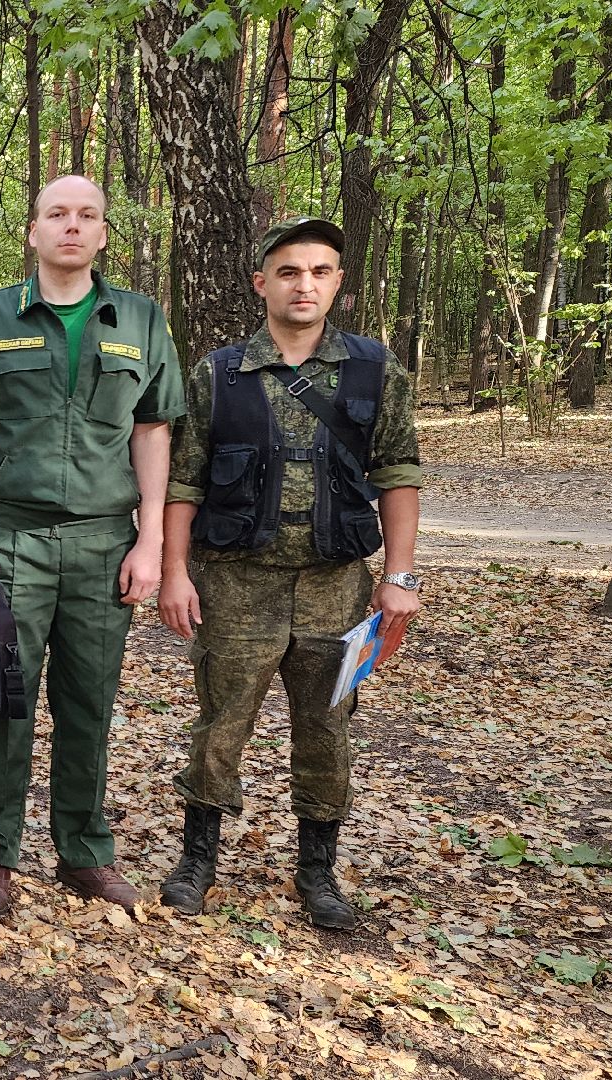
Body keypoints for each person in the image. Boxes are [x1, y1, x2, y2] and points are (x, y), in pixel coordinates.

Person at [157, 216, 421, 931]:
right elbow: (183, 481)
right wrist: (172, 572)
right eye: (288, 271)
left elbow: (398, 473)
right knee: (220, 725)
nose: (304, 284)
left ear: (337, 282)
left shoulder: (374, 369)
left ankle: (317, 871)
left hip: (337, 589)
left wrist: (400, 576)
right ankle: (197, 862)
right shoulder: (217, 373)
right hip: (234, 584)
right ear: (261, 283)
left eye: (320, 271)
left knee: (328, 728)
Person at [0, 174, 185, 913]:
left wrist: (151, 542)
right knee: (3, 699)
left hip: (106, 540)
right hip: (12, 536)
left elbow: (153, 431)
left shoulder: (139, 319)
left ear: (104, 233)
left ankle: (83, 851)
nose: (71, 227)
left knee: (89, 703)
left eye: (86, 216)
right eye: (56, 215)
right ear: (34, 232)